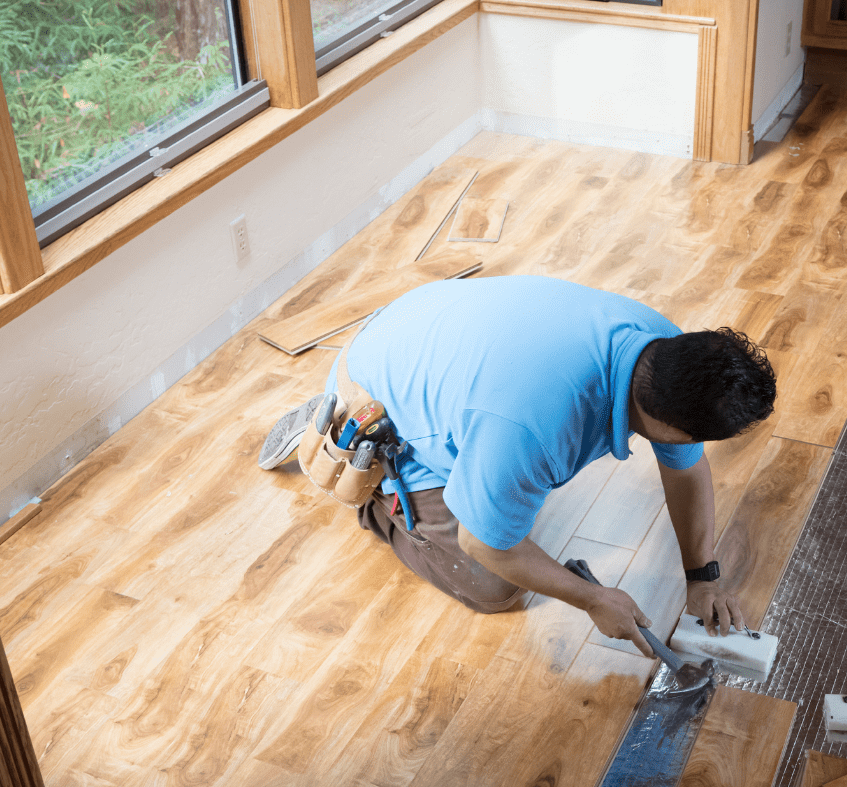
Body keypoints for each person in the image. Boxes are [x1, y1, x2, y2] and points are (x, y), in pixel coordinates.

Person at [259, 275, 776, 658]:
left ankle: (467, 463)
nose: (694, 447)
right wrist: (591, 598)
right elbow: (483, 545)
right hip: (377, 387)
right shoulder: (537, 424)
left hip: (424, 325)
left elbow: (685, 470)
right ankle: (364, 480)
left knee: (512, 496)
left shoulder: (660, 347)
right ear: (668, 425)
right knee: (493, 585)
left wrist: (702, 577)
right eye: (695, 438)